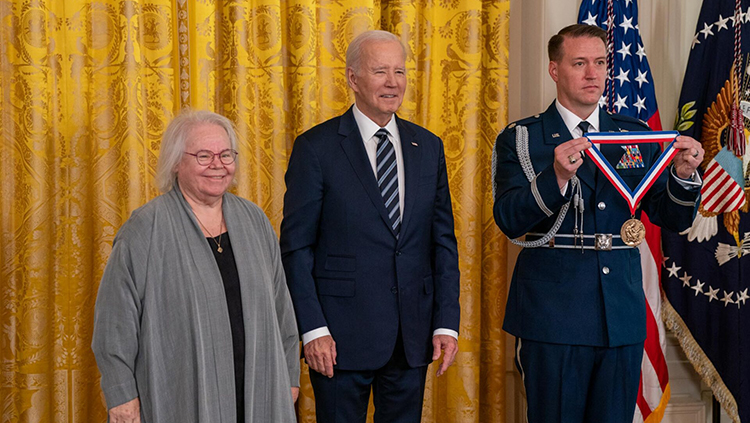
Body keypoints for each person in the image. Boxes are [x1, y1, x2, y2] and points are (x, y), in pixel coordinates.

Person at [492, 24, 703, 422]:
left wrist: (683, 174)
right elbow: (508, 219)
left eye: (601, 63)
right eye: (580, 63)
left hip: (619, 314)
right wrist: (555, 177)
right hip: (553, 316)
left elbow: (670, 216)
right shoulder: (523, 138)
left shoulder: (634, 135)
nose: (594, 74)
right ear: (555, 70)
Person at [280, 30, 460, 422]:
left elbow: (442, 241)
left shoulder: (428, 146)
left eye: (399, 71)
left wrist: (446, 322)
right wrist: (312, 329)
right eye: (380, 71)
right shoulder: (316, 147)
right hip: (338, 340)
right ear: (352, 78)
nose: (393, 82)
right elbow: (296, 248)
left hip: (411, 337)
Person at [91, 110, 300, 423]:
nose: (218, 164)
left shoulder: (254, 220)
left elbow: (282, 311)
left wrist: (290, 378)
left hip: (260, 394)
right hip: (179, 397)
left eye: (226, 154)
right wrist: (122, 397)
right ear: (176, 162)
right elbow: (114, 326)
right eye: (203, 155)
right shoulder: (145, 229)